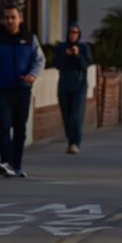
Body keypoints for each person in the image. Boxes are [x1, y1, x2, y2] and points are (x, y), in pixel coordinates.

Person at [0, 5, 44, 178]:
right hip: (1, 90)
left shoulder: (30, 38)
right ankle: (6, 162)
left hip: (22, 90)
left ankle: (17, 165)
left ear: (20, 19)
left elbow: (39, 60)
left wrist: (33, 75)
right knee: (4, 126)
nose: (9, 21)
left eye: (13, 17)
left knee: (20, 128)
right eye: (6, 17)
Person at [54, 23, 92, 154]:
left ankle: (75, 142)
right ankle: (70, 139)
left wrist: (77, 55)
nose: (73, 35)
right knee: (66, 115)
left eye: (76, 32)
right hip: (64, 85)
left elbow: (86, 64)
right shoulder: (61, 47)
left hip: (79, 86)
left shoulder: (84, 47)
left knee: (76, 114)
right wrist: (66, 55)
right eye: (71, 32)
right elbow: (57, 64)